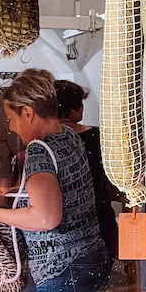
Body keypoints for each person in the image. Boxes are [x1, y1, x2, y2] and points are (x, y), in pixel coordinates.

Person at [0, 68, 111, 292]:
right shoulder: (69, 136)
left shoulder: (39, 150)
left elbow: (46, 217)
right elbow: (63, 186)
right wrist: (18, 190)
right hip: (90, 259)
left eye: (11, 118)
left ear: (28, 112)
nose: (11, 127)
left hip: (62, 270)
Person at [54, 79, 119, 259]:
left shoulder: (44, 143)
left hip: (61, 227)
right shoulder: (99, 137)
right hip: (99, 218)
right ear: (76, 109)